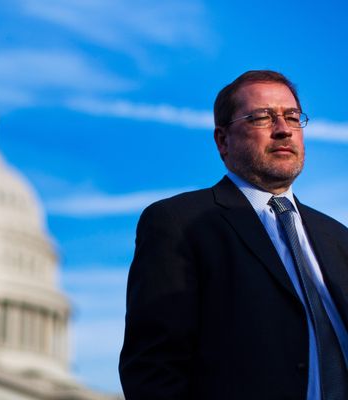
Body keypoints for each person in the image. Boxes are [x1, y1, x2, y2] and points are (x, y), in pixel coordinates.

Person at [119, 70, 348, 400]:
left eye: (292, 117)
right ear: (223, 141)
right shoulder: (179, 222)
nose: (283, 129)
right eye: (261, 118)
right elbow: (153, 366)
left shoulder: (338, 238)